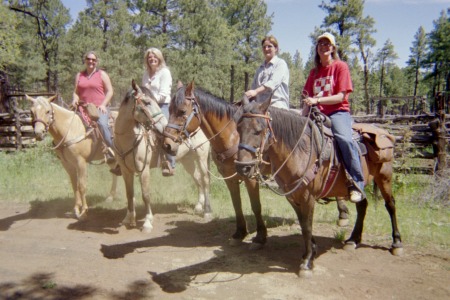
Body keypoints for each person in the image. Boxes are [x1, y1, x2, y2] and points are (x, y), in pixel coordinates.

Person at [302, 32, 365, 203]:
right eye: (321, 43)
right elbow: (307, 97)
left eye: (327, 44)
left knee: (344, 139)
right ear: (317, 48)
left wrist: (317, 100)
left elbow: (341, 97)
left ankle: (356, 183)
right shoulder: (314, 72)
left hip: (338, 112)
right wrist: (303, 116)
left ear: (333, 48)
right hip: (317, 114)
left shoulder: (340, 67)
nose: (324, 46)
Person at [72, 51, 116, 165]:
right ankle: (67, 150)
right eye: (88, 59)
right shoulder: (79, 75)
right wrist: (75, 99)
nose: (91, 61)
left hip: (99, 107)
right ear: (85, 60)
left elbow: (110, 91)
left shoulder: (102, 74)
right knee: (69, 123)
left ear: (96, 62)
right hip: (83, 108)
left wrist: (103, 104)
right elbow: (76, 92)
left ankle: (112, 151)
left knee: (102, 124)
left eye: (93, 59)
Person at [141, 47, 175, 177]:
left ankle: (169, 163)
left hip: (162, 105)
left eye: (155, 57)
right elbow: (143, 91)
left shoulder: (165, 72)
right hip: (148, 106)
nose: (152, 59)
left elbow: (164, 93)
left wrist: (150, 100)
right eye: (150, 57)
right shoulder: (146, 73)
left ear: (159, 58)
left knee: (164, 130)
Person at [245, 35, 290, 110]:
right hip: (260, 108)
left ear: (275, 48)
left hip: (277, 107)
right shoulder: (260, 69)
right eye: (264, 47)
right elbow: (253, 88)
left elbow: (272, 83)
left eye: (269, 46)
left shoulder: (281, 64)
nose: (266, 49)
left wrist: (255, 92)